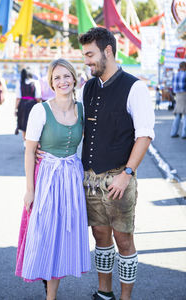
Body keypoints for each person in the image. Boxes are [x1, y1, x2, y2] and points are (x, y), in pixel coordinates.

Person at [78, 28, 155, 300]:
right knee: (100, 237)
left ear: (108, 51)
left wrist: (127, 174)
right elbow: (78, 127)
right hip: (91, 178)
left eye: (90, 54)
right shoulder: (88, 87)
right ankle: (104, 292)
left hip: (119, 177)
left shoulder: (134, 87)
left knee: (124, 240)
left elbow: (144, 135)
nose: (86, 61)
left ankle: (125, 298)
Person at [15, 59, 91, 300]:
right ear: (50, 82)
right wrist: (30, 189)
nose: (62, 81)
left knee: (64, 235)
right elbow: (29, 150)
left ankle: (52, 295)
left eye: (66, 76)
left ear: (74, 78)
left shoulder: (82, 109)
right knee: (45, 233)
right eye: (57, 78)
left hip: (71, 177)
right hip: (47, 176)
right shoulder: (41, 110)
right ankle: (47, 287)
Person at [15, 68, 41, 142]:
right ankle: (34, 142)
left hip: (22, 105)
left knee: (23, 125)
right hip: (33, 105)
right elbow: (38, 97)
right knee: (34, 124)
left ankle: (25, 143)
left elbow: (18, 98)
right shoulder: (35, 82)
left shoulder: (19, 82)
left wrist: (15, 109)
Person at [170, 61, 186, 139]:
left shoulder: (175, 75)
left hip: (178, 95)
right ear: (184, 67)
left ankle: (173, 132)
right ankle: (184, 134)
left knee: (178, 114)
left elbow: (173, 87)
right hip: (184, 94)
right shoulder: (185, 74)